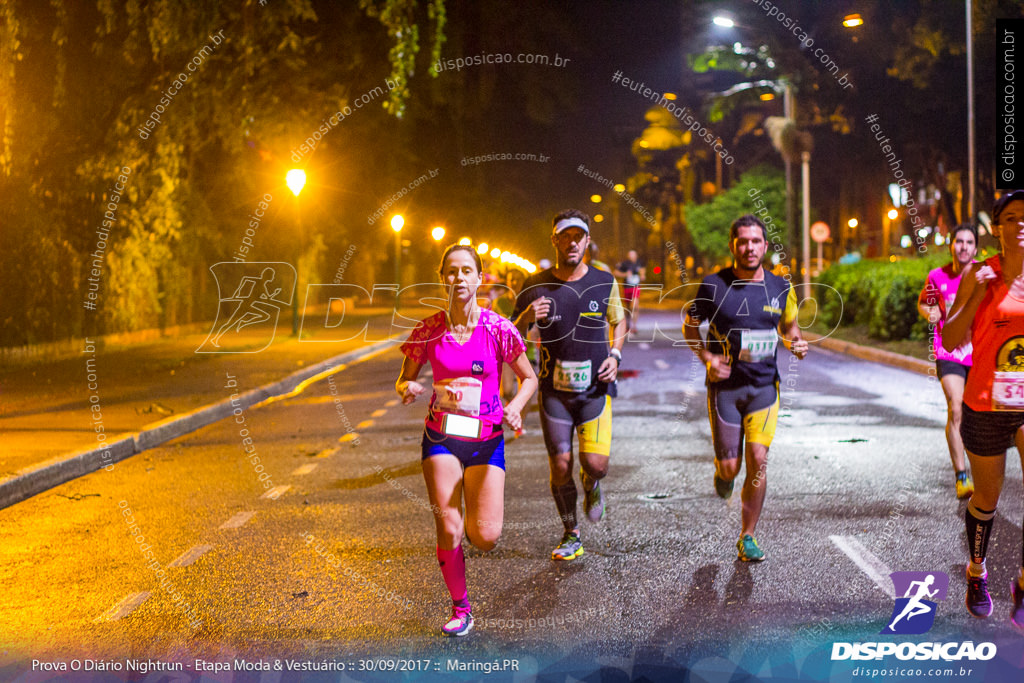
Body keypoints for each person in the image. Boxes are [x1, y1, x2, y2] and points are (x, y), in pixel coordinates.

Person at [396, 244, 538, 636]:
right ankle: (461, 608)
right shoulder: (428, 330)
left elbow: (530, 378)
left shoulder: (498, 329)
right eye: (451, 271)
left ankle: (470, 540)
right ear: (443, 277)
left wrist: (516, 406)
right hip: (440, 436)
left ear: (479, 278)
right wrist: (407, 385)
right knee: (449, 528)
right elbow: (404, 377)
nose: (458, 278)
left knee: (486, 536)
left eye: (466, 271)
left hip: (486, 439)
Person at [683, 214, 808, 562]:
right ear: (733, 245)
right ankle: (722, 473)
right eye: (743, 241)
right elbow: (689, 326)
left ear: (765, 246)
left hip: (765, 387)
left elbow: (791, 328)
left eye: (756, 241)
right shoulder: (712, 286)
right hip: (725, 389)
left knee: (759, 459)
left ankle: (748, 535)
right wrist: (707, 356)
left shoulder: (781, 287)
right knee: (731, 468)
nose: (749, 247)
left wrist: (796, 343)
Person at [513, 209, 627, 560]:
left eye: (579, 236)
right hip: (554, 392)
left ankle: (592, 485)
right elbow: (509, 336)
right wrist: (525, 318)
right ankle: (570, 533)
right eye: (566, 237)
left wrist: (615, 355)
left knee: (596, 465)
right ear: (555, 241)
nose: (572, 242)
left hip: (595, 389)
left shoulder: (604, 281)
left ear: (587, 241)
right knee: (560, 465)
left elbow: (619, 323)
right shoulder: (535, 284)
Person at [942, 189, 1024, 628]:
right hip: (985, 405)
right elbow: (953, 340)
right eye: (1011, 217)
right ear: (998, 227)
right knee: (987, 498)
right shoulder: (980, 274)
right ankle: (977, 571)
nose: (1021, 223)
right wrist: (973, 295)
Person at [917, 224, 978, 499]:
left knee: (977, 415)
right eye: (959, 242)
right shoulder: (937, 276)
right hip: (949, 352)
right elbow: (925, 303)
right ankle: (962, 476)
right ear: (952, 245)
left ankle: (984, 469)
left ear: (975, 248)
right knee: (956, 407)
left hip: (979, 352)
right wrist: (930, 312)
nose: (964, 246)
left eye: (969, 242)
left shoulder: (983, 274)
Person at [614, 249, 646, 335]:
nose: (632, 256)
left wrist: (642, 275)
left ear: (636, 255)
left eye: (633, 255)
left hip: (636, 287)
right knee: (628, 308)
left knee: (635, 306)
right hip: (627, 287)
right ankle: (628, 324)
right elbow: (616, 272)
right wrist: (625, 275)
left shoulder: (640, 263)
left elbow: (643, 271)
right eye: (630, 255)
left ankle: (634, 326)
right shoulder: (625, 264)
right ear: (628, 256)